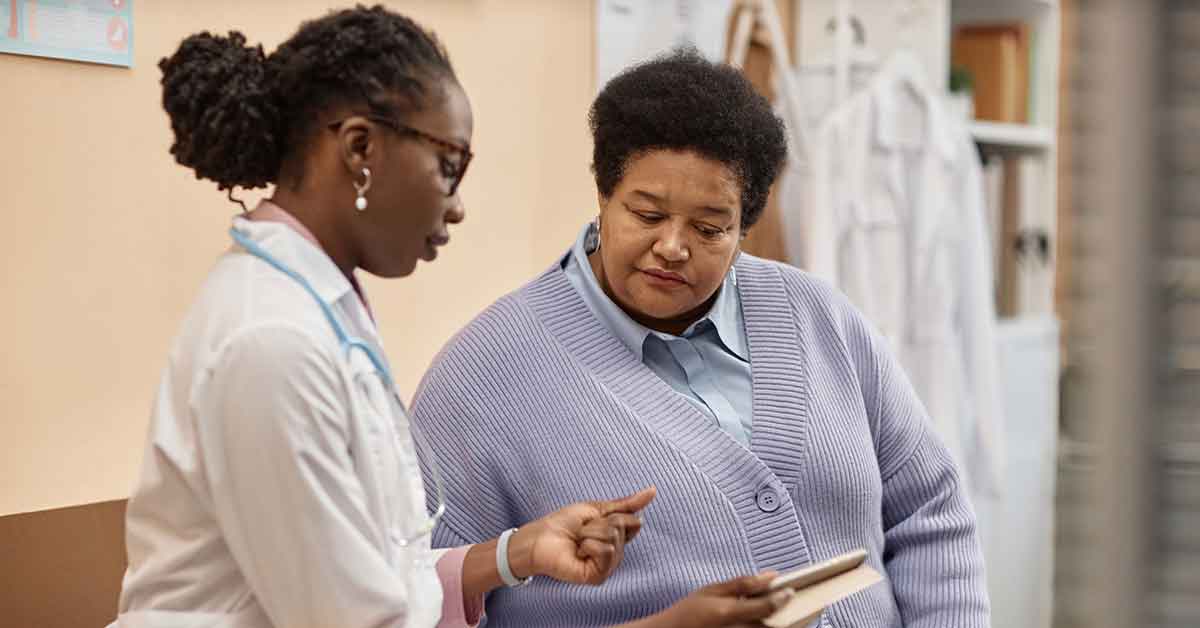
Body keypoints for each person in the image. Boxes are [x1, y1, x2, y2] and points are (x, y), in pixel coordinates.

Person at [112, 6, 785, 628]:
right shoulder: (271, 343)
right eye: (447, 166)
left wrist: (512, 554)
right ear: (359, 150)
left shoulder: (316, 309)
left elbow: (379, 575)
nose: (457, 206)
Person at [411, 49, 992, 628]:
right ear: (603, 197)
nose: (672, 246)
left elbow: (929, 512)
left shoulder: (821, 319)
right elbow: (417, 601)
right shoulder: (480, 380)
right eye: (646, 214)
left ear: (745, 228)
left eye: (709, 228)